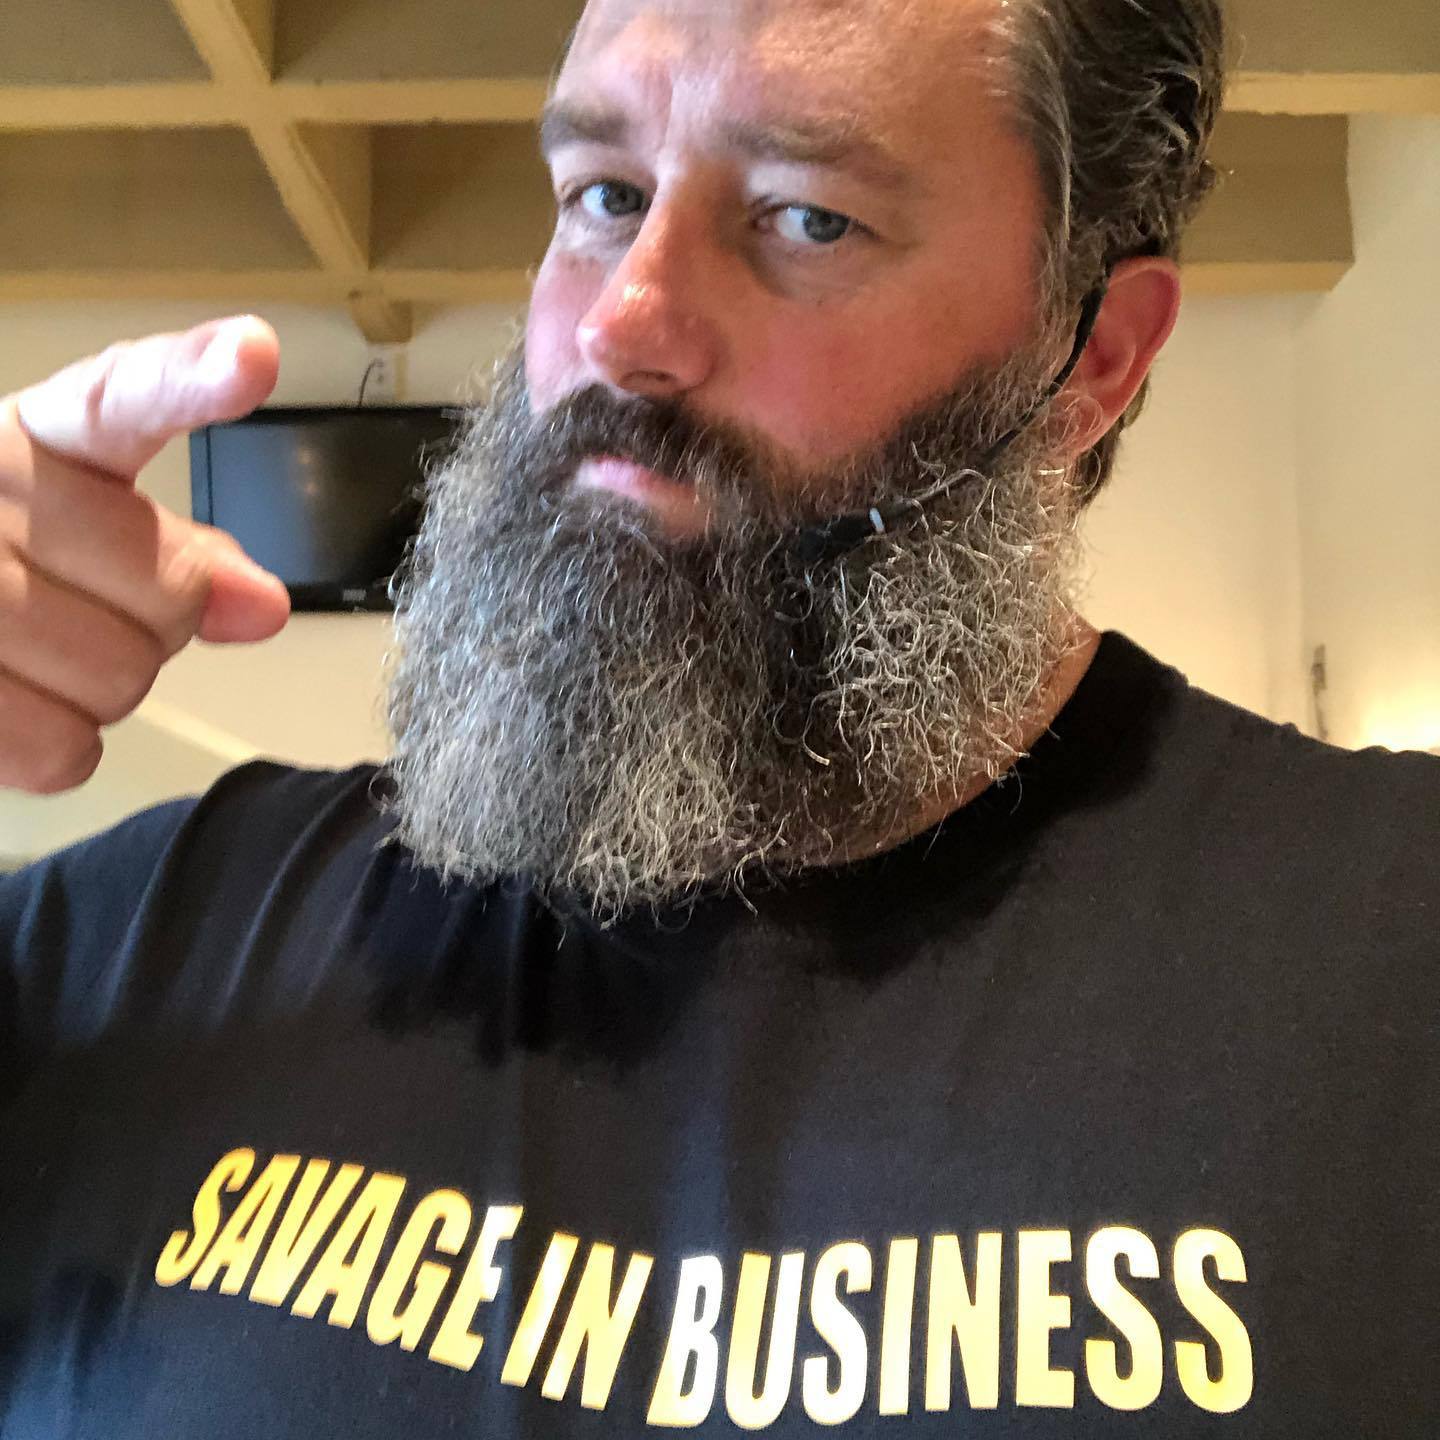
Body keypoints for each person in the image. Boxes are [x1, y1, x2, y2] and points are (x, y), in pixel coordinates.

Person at [0, 0, 1435, 1434]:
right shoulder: (151, 944)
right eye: (604, 196)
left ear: (1094, 355)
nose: (624, 322)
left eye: (809, 219)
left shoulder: (1388, 966)